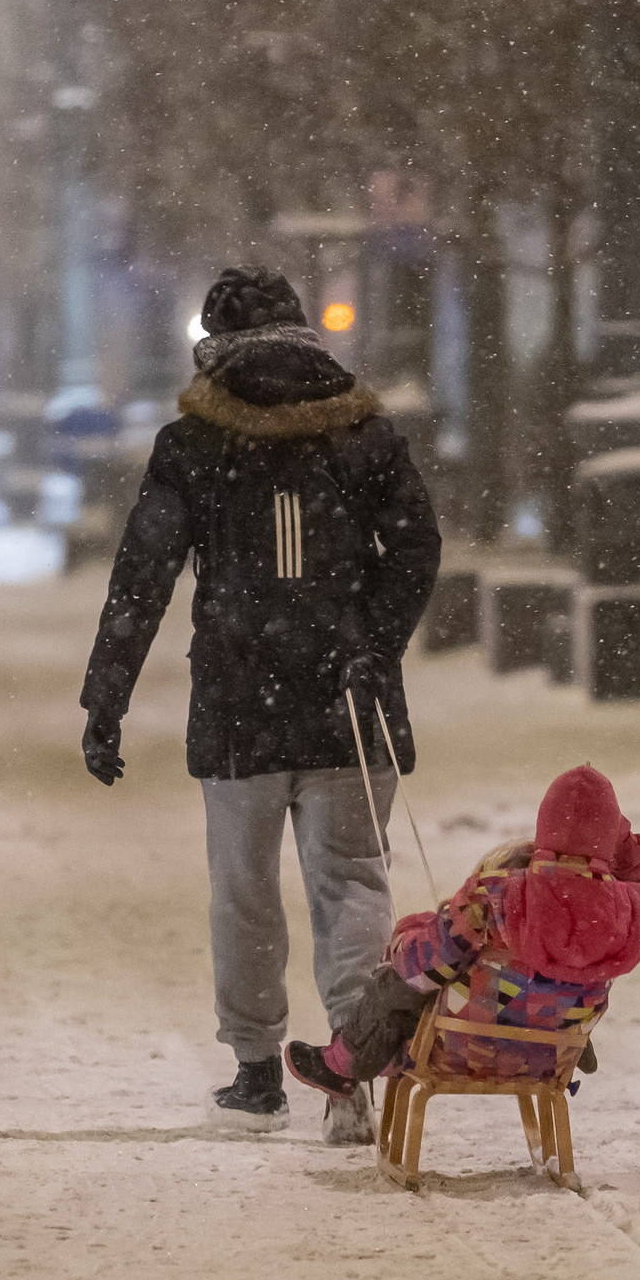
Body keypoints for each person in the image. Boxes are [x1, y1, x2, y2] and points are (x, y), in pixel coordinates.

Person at [80, 267, 441, 1139]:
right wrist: (372, 642)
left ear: (214, 347)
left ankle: (255, 1071)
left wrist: (106, 699)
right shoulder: (364, 433)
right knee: (352, 878)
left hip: (242, 701)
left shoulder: (195, 445)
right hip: (347, 703)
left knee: (243, 889)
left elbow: (143, 577)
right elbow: (418, 544)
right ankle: (355, 1067)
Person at [287, 764, 640, 1099]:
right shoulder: (631, 911)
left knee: (397, 983)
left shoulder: (496, 895)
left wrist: (404, 939)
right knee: (554, 987)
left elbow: (424, 966)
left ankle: (343, 1064)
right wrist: (620, 841)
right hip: (551, 1056)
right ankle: (558, 1030)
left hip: (465, 1049)